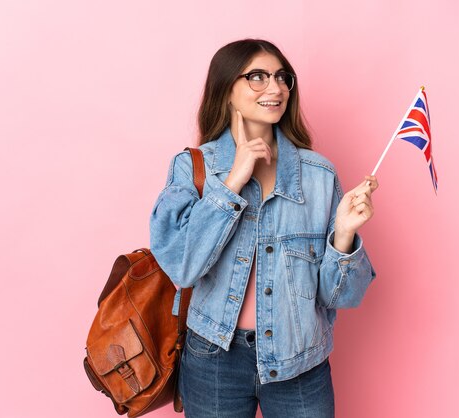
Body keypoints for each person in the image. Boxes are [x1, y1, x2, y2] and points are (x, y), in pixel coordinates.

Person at [150, 38, 378, 418]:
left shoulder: (319, 175)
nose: (275, 88)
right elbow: (183, 266)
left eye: (281, 77)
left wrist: (343, 236)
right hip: (213, 358)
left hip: (300, 361)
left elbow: (342, 297)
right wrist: (233, 181)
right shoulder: (193, 168)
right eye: (257, 76)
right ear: (226, 90)